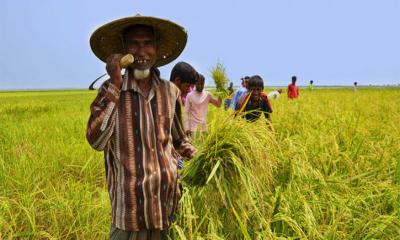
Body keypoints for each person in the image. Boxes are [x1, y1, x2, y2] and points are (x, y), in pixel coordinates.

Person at [86, 15, 196, 240]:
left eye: (147, 43)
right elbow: (97, 141)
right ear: (124, 50)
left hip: (168, 209)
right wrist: (116, 84)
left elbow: (177, 139)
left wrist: (199, 155)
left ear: (156, 48)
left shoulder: (170, 92)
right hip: (130, 215)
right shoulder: (109, 92)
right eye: (134, 44)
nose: (141, 51)